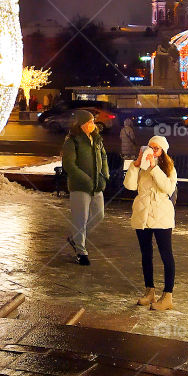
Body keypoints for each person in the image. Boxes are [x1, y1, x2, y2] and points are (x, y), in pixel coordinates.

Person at [124, 134, 177, 311]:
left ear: (162, 151)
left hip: (161, 214)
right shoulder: (142, 167)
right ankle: (150, 291)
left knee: (166, 254)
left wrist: (154, 168)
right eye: (150, 147)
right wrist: (136, 165)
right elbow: (130, 186)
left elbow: (168, 189)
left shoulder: (169, 168)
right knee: (146, 253)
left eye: (156, 148)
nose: (152, 151)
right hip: (142, 213)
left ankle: (167, 296)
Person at [61, 109, 109, 266]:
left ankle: (76, 238)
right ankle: (81, 252)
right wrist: (86, 180)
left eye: (93, 121)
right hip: (80, 186)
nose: (93, 124)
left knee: (99, 215)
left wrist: (104, 175)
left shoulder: (96, 139)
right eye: (89, 122)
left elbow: (103, 156)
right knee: (80, 219)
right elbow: (69, 165)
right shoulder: (72, 141)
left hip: (97, 185)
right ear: (81, 124)